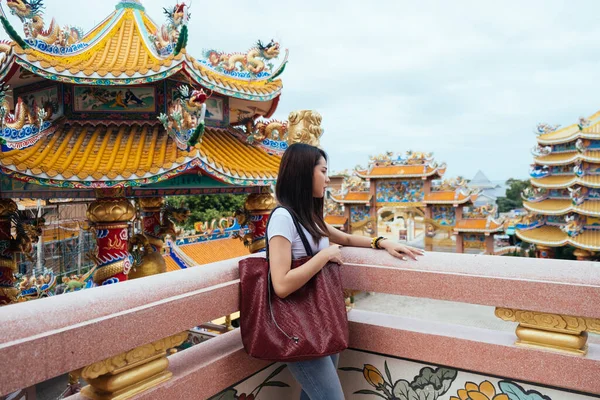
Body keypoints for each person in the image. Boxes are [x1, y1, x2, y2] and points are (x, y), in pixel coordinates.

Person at [267, 143, 423, 400]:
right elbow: (281, 285)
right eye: (323, 171)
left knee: (313, 395)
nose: (328, 179)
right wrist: (324, 256)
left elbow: (347, 239)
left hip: (321, 318)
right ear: (303, 173)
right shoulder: (283, 218)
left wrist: (382, 242)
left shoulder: (308, 217)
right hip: (298, 326)